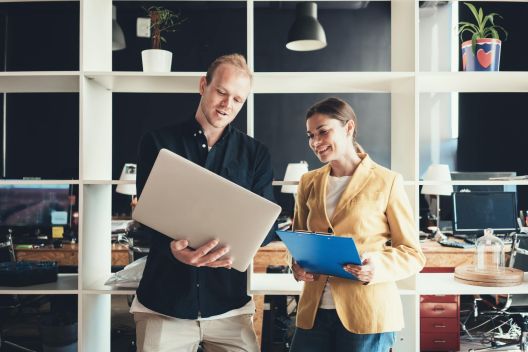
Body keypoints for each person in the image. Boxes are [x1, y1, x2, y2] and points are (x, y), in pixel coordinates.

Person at [131, 53, 276, 352]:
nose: (227, 105)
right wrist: (173, 250)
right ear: (203, 86)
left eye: (237, 99)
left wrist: (247, 241)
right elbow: (147, 218)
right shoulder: (157, 142)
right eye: (221, 92)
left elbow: (266, 226)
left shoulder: (255, 154)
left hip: (230, 308)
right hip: (163, 304)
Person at [289, 97, 426, 352]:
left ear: (348, 127)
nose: (316, 142)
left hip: (368, 313)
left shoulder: (387, 181)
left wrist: (378, 267)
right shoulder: (307, 182)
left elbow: (413, 254)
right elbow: (300, 240)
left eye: (323, 132)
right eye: (310, 135)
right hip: (313, 312)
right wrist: (296, 266)